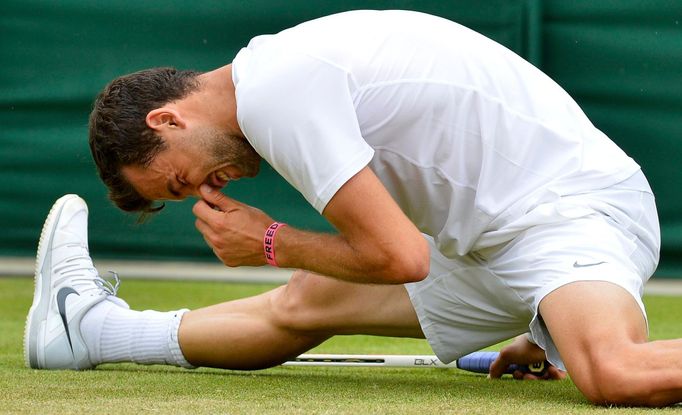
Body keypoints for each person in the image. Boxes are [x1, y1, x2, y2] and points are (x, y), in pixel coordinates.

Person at [24, 10, 675, 406]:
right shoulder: (272, 80)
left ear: (167, 119)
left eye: (176, 180)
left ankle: (571, 321)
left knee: (611, 372)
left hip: (573, 210)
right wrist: (539, 318)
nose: (201, 190)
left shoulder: (277, 92)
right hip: (497, 238)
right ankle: (90, 329)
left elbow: (402, 256)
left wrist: (269, 242)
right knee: (310, 299)